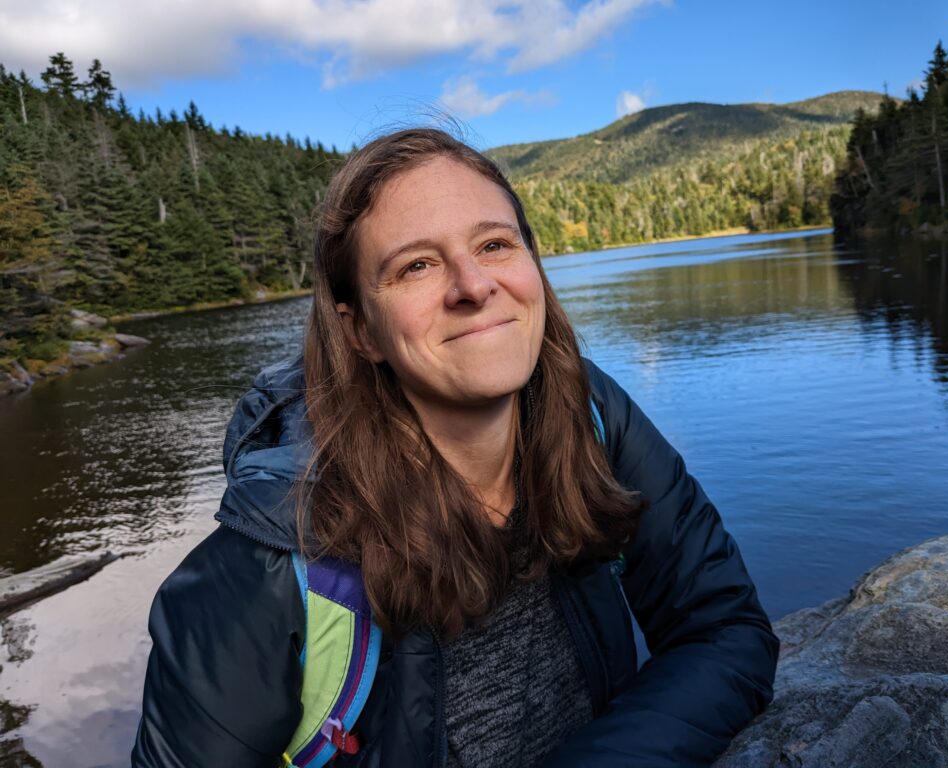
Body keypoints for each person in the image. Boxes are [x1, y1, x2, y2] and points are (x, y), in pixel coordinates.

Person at [132, 128, 778, 768]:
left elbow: (722, 628)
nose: (473, 285)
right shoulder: (265, 566)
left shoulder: (587, 413)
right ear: (360, 332)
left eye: (494, 244)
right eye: (416, 265)